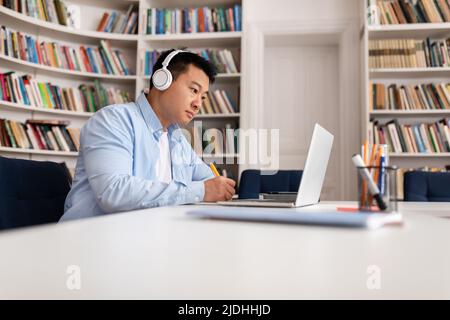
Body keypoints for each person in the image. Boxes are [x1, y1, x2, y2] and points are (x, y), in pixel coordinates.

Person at [60, 49, 236, 222]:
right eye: (194, 90)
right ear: (162, 80)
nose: (198, 104)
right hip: (92, 239)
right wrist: (201, 191)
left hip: (147, 237)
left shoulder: (177, 139)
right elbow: (113, 192)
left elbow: (210, 182)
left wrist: (221, 187)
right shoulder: (113, 120)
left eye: (203, 97)